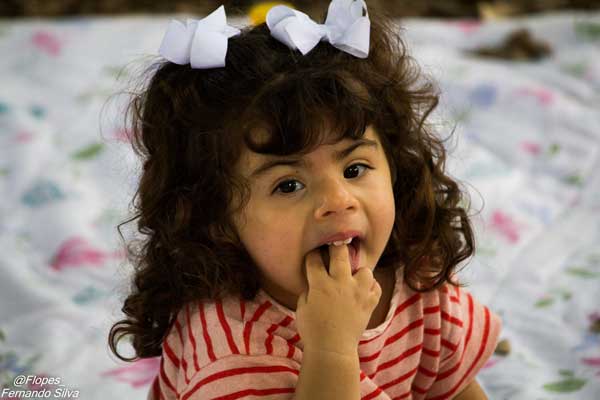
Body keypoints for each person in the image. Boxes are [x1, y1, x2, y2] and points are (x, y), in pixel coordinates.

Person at [108, 1, 502, 399]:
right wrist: (332, 350)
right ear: (216, 217)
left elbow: (456, 388)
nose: (338, 200)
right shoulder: (231, 354)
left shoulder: (417, 278)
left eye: (354, 168)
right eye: (288, 185)